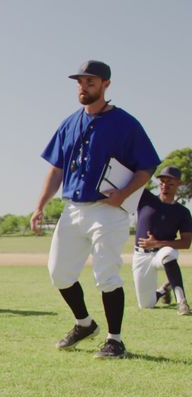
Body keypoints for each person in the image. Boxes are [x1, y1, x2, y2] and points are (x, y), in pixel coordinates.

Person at [30, 60, 161, 359]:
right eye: (80, 82)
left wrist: (124, 194)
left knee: (107, 274)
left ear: (106, 85)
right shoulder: (69, 123)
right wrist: (40, 205)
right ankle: (84, 324)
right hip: (73, 208)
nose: (83, 87)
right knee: (59, 273)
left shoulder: (125, 123)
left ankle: (115, 341)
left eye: (91, 82)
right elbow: (57, 169)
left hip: (107, 209)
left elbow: (147, 167)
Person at [131, 166, 191, 315]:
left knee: (168, 255)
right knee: (146, 305)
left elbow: (186, 243)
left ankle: (182, 302)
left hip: (162, 252)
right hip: (141, 256)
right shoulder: (145, 198)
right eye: (162, 182)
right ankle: (164, 290)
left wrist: (157, 243)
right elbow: (132, 178)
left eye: (170, 183)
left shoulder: (183, 212)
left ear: (179, 184)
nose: (165, 186)